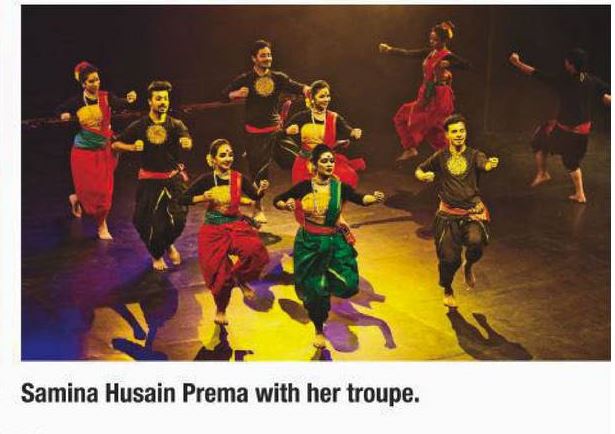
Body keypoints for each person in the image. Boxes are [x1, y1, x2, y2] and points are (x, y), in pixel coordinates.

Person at [273, 144, 385, 349]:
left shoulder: (339, 187)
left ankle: (324, 287)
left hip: (334, 242)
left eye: (331, 161)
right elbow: (278, 200)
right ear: (314, 165)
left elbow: (360, 198)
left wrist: (374, 199)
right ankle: (318, 328)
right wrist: (286, 204)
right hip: (309, 243)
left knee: (350, 283)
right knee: (315, 291)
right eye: (324, 161)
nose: (329, 164)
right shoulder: (305, 186)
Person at [182, 139, 270, 326]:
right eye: (223, 155)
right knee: (219, 276)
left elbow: (254, 196)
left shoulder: (238, 178)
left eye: (230, 154)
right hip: (213, 229)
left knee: (256, 252)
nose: (228, 158)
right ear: (212, 159)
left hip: (236, 225)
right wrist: (202, 197)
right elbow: (183, 198)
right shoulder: (207, 179)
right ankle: (221, 309)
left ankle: (239, 278)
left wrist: (261, 190)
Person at [415, 114, 498, 308]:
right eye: (454, 132)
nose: (459, 134)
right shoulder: (441, 156)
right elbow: (419, 169)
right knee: (449, 259)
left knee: (476, 243)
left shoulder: (475, 155)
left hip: (471, 213)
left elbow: (484, 164)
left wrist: (489, 165)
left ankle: (468, 265)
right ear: (447, 135)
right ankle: (448, 289)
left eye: (462, 131)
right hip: (448, 216)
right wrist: (423, 176)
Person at [222, 39, 309, 223]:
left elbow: (297, 86)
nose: (267, 58)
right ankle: (258, 208)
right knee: (258, 174)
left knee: (299, 162)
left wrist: (308, 89)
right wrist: (235, 94)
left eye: (269, 55)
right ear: (254, 58)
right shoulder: (245, 79)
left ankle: (304, 200)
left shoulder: (278, 77)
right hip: (255, 135)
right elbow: (223, 94)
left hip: (276, 132)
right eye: (263, 55)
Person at [509, 49, 610, 203]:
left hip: (565, 132)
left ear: (571, 65)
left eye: (567, 61)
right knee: (571, 162)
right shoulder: (591, 80)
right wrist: (607, 98)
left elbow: (536, 74)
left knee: (538, 140)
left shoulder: (564, 81)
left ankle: (543, 173)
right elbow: (606, 94)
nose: (565, 63)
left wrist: (517, 63)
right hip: (582, 134)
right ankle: (580, 194)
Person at [112, 81, 192, 271]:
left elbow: (187, 139)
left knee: (178, 219)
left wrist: (187, 142)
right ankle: (156, 254)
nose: (163, 102)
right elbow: (115, 144)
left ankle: (168, 243)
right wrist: (131, 147)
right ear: (150, 101)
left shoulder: (176, 125)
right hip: (149, 182)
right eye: (158, 99)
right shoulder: (139, 126)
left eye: (165, 98)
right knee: (145, 221)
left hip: (173, 180)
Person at [56, 61, 137, 239]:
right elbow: (61, 109)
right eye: (91, 81)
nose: (96, 84)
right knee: (89, 187)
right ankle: (80, 200)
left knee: (103, 190)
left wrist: (129, 100)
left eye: (97, 80)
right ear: (83, 84)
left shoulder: (106, 97)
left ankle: (101, 224)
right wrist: (64, 114)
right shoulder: (77, 101)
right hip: (83, 151)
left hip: (105, 150)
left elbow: (121, 103)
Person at [379, 21, 470, 162]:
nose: (432, 42)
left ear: (443, 41)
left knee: (429, 127)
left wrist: (450, 63)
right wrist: (390, 50)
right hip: (426, 95)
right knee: (402, 117)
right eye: (431, 39)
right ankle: (411, 148)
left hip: (438, 98)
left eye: (435, 40)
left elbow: (466, 65)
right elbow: (409, 53)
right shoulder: (429, 52)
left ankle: (453, 157)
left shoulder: (447, 55)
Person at [283, 80, 366, 188]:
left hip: (326, 164)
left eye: (328, 96)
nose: (326, 99)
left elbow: (349, 133)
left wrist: (354, 133)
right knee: (305, 196)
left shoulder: (334, 117)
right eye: (322, 96)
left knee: (343, 181)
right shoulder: (301, 117)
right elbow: (279, 135)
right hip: (304, 165)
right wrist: (286, 131)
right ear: (312, 99)